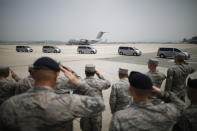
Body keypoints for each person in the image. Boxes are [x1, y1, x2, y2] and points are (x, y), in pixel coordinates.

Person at [0, 57, 105, 131]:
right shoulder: (69, 103)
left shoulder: (10, 105)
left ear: (32, 74)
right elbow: (99, 104)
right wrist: (76, 81)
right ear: (56, 75)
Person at [109, 71, 186, 131]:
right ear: (151, 90)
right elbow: (182, 106)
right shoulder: (167, 111)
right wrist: (160, 92)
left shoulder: (120, 117)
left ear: (130, 89)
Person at [80, 64, 111, 131]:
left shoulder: (81, 82)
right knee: (96, 127)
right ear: (94, 72)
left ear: (85, 72)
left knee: (86, 128)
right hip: (96, 110)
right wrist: (99, 74)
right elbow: (108, 83)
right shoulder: (99, 82)